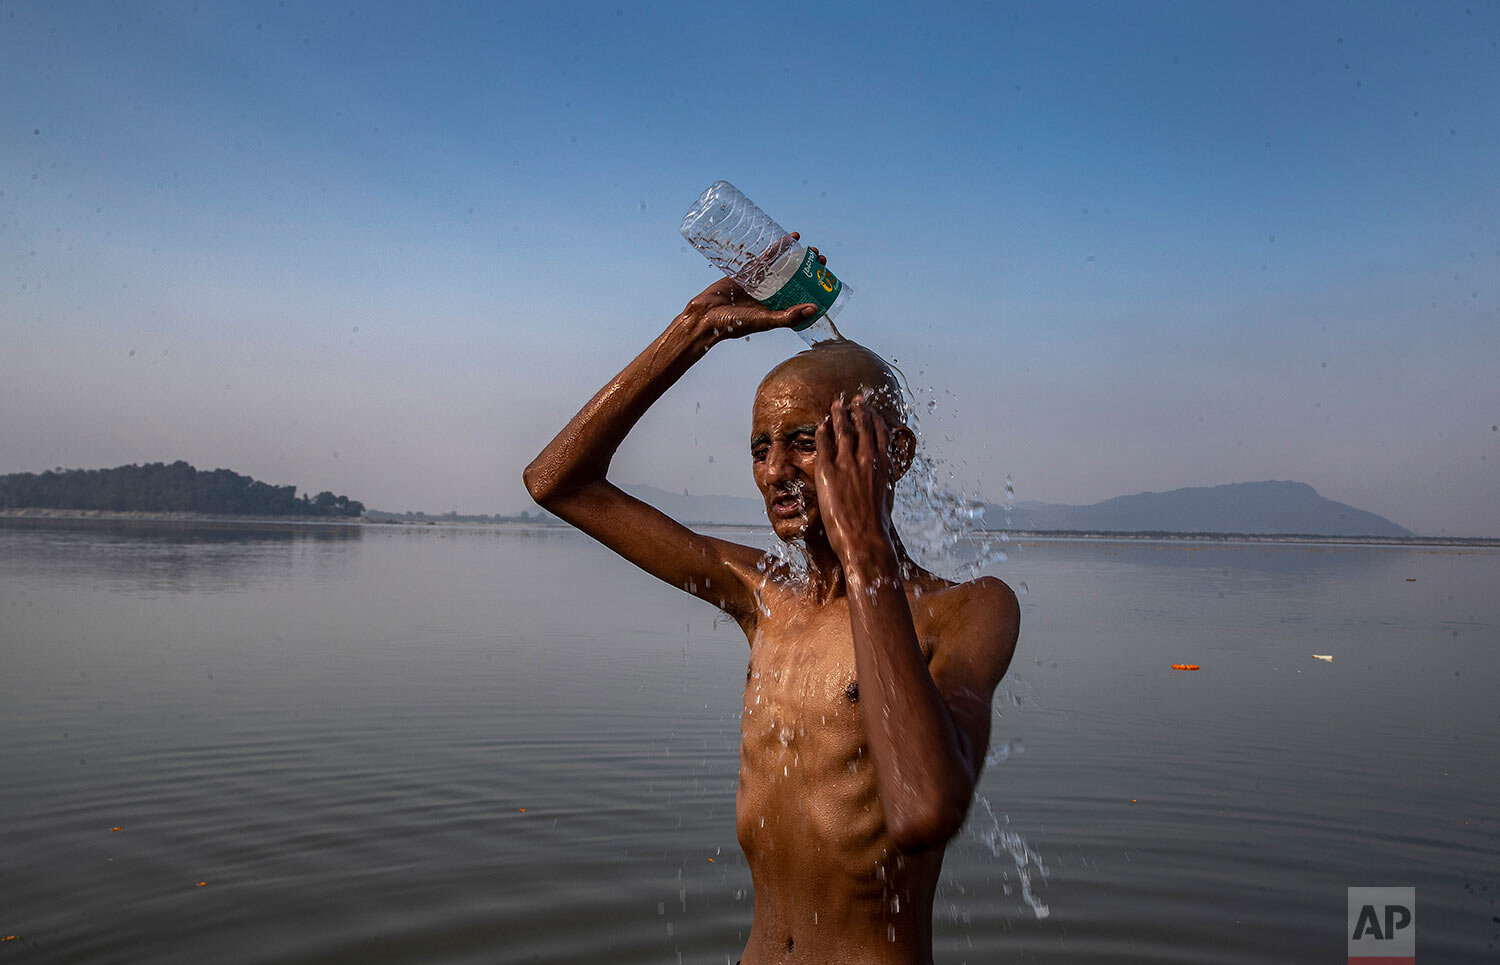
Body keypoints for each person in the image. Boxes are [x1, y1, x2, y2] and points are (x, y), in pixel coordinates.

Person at [523, 246, 1019, 965]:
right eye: (761, 447)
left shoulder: (965, 611)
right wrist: (693, 331)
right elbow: (556, 483)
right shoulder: (763, 595)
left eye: (806, 442)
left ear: (894, 452)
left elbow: (923, 809)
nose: (777, 470)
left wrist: (865, 549)